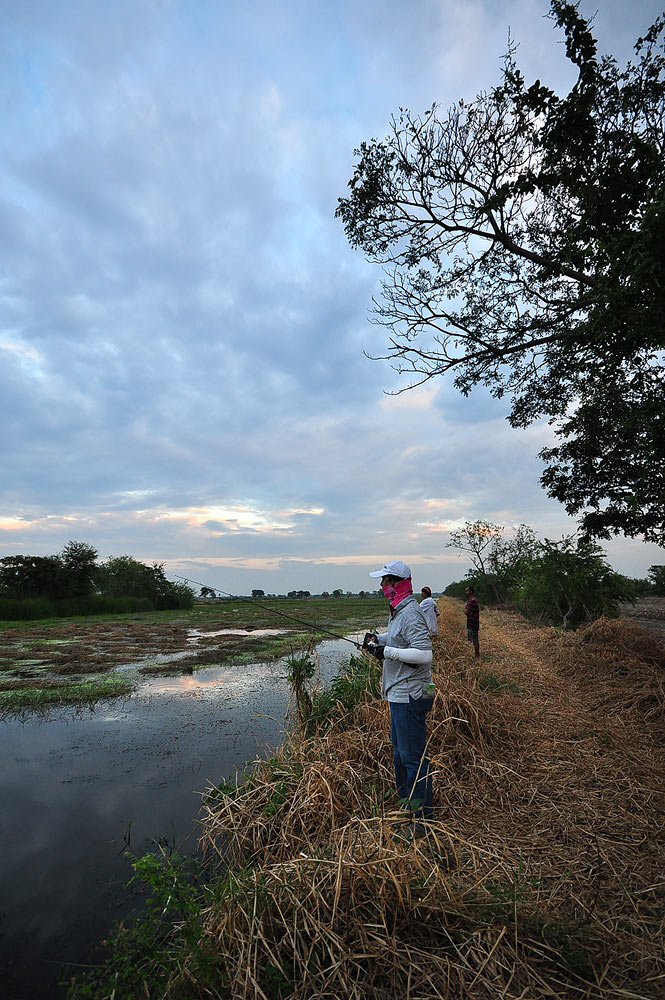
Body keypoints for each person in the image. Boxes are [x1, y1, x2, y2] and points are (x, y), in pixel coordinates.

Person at [363, 560, 434, 840]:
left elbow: (424, 654)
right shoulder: (399, 611)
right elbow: (397, 638)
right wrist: (378, 640)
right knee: (400, 754)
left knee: (412, 758)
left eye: (385, 582)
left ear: (397, 584)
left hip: (410, 694)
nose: (381, 587)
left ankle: (421, 820)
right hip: (399, 694)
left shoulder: (411, 612)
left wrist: (387, 652)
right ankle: (408, 805)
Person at [464, 585, 480, 657]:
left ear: (471, 591)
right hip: (472, 620)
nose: (466, 592)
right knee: (473, 638)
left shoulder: (472, 600)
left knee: (474, 639)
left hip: (473, 621)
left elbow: (466, 611)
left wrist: (465, 610)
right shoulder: (471, 600)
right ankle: (476, 654)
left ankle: (477, 654)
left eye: (467, 590)